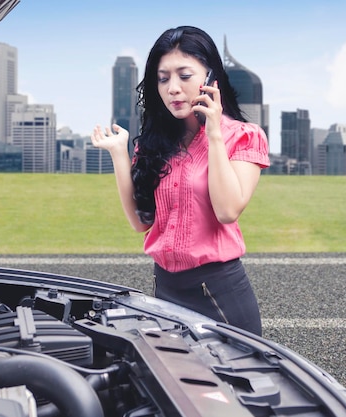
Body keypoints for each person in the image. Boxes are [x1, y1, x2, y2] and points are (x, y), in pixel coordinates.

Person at [91, 26, 269, 336]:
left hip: (217, 291)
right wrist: (120, 154)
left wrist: (214, 133)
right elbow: (140, 222)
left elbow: (228, 210)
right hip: (165, 287)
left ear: (211, 77)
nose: (173, 88)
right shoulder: (153, 144)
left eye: (184, 76)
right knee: (178, 381)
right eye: (163, 79)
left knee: (234, 383)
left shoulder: (242, 136)